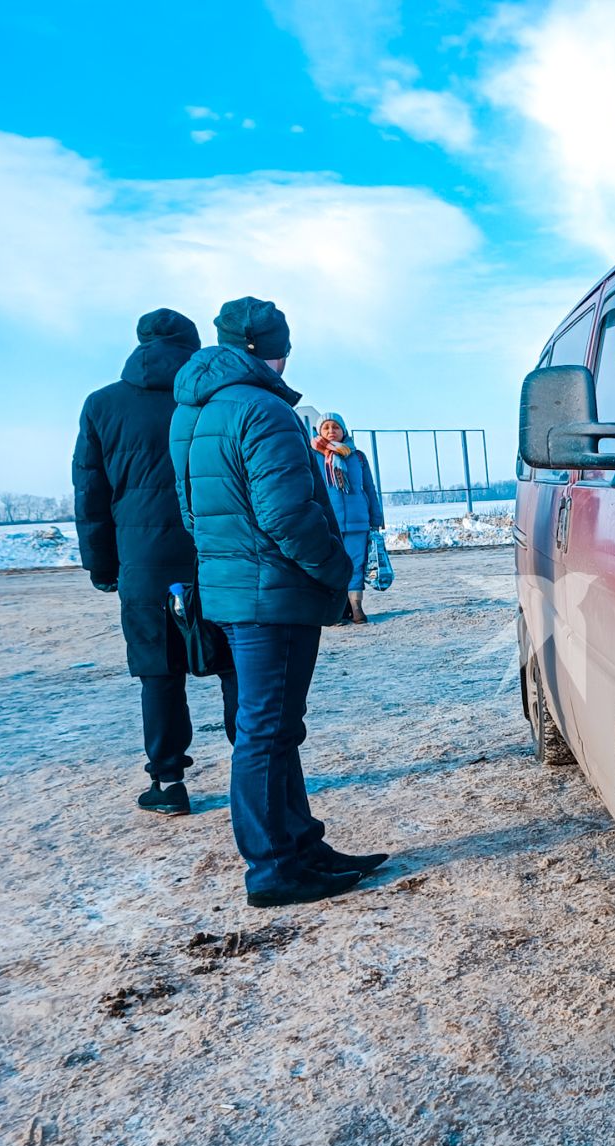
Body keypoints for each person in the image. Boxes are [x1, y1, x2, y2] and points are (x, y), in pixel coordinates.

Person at [170, 296, 387, 908]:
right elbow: (287, 514)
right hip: (275, 591)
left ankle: (298, 844)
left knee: (269, 726)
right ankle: (272, 866)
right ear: (274, 350)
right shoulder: (263, 410)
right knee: (266, 729)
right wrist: (335, 569)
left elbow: (190, 512)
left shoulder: (190, 412)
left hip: (232, 590)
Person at [74, 309, 239, 816]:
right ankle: (256, 769)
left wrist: (103, 567)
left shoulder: (101, 404)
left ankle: (168, 783)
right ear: (192, 346)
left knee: (159, 673)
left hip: (143, 563)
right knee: (235, 665)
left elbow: (91, 496)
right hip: (214, 551)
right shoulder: (213, 395)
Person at [310, 413, 384, 624]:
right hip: (327, 521)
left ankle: (356, 606)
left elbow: (369, 488)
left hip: (357, 519)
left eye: (336, 427)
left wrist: (376, 517)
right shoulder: (312, 456)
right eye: (326, 428)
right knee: (330, 564)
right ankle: (336, 610)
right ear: (319, 432)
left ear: (344, 431)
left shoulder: (357, 457)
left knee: (355, 563)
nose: (331, 431)